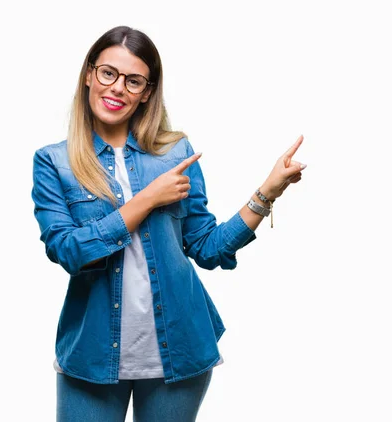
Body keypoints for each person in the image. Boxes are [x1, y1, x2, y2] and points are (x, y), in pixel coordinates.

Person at [31, 25, 306, 422]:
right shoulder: (54, 162)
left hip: (180, 348)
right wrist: (147, 200)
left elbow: (208, 248)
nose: (117, 88)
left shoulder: (174, 152)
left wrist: (268, 191)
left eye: (134, 80)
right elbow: (68, 251)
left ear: (146, 91)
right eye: (108, 73)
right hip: (91, 355)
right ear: (90, 74)